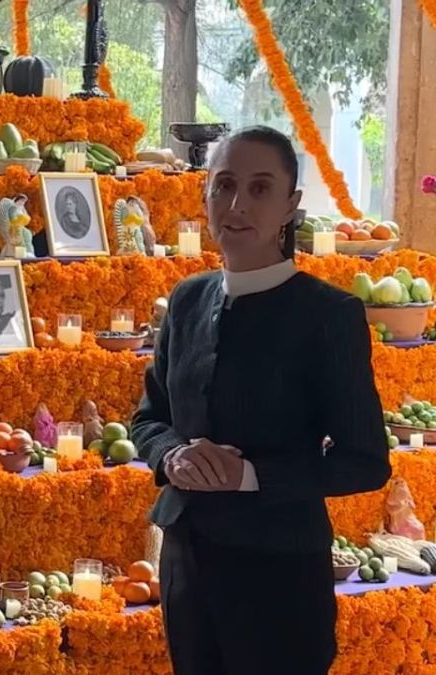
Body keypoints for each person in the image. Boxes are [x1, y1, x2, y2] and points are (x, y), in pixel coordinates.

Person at [130, 126, 391, 675]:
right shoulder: (187, 298)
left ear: (291, 206)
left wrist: (248, 476)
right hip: (187, 559)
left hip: (280, 573)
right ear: (205, 194)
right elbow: (149, 418)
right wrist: (171, 455)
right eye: (223, 186)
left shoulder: (328, 316)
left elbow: (364, 461)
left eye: (259, 188)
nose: (237, 205)